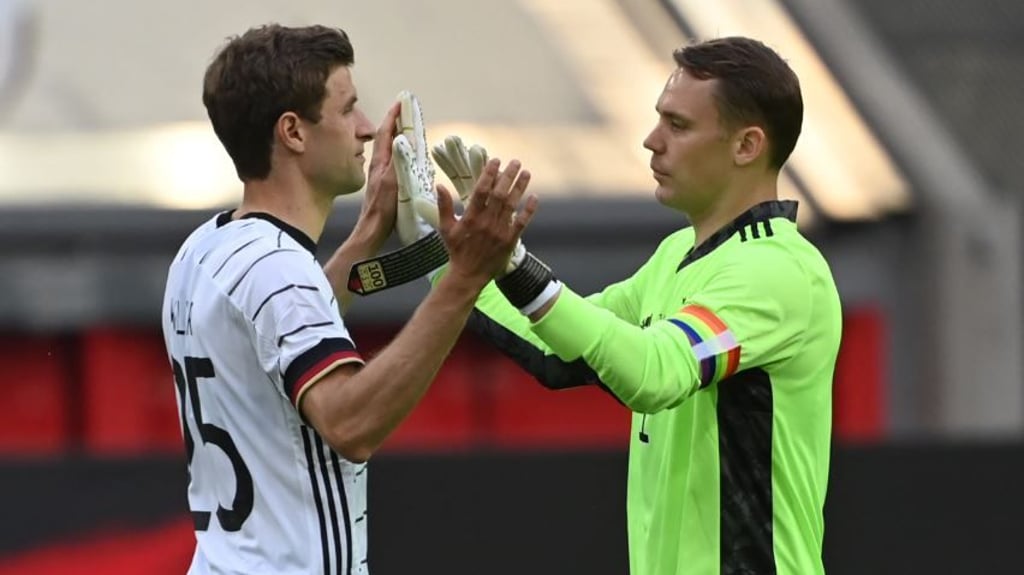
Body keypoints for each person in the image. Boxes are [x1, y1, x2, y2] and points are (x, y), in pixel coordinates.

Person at [413, 36, 841, 574]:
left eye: (677, 125)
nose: (650, 140)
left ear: (746, 146)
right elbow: (561, 351)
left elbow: (654, 373)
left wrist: (515, 264)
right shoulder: (676, 255)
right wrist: (446, 252)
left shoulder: (777, 271)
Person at [160, 24, 534, 575]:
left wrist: (369, 231)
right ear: (293, 131)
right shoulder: (277, 269)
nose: (366, 128)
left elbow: (281, 326)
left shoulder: (205, 248)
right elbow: (350, 423)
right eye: (347, 108)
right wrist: (464, 278)